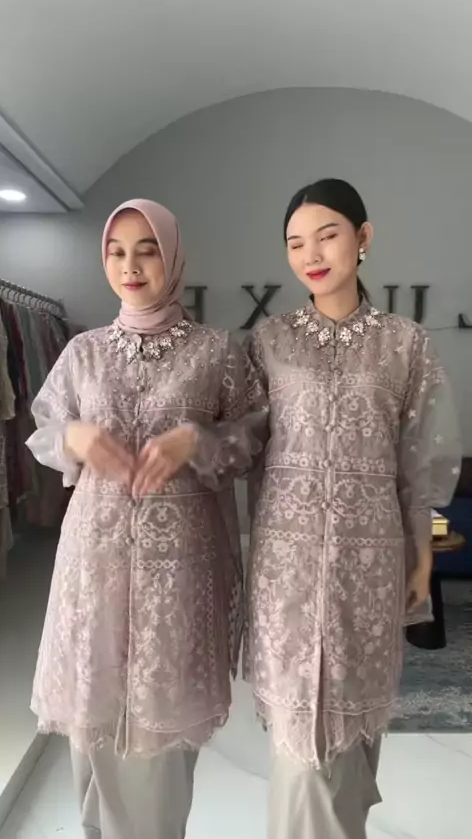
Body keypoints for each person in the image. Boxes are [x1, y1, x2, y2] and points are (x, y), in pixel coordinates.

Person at [26, 198, 268, 839]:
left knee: (162, 745)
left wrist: (198, 440)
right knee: (94, 724)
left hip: (179, 577)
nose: (130, 266)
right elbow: (45, 427)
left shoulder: (217, 352)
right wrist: (74, 436)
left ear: (174, 256)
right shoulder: (82, 352)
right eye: (116, 252)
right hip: (94, 567)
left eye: (147, 250)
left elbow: (255, 436)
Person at [244, 179, 461, 839]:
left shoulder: (405, 343)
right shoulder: (269, 341)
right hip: (286, 565)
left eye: (327, 235)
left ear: (363, 238)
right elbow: (241, 441)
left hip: (370, 563)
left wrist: (422, 555)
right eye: (295, 243)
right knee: (298, 739)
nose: (311, 254)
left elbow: (420, 460)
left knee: (353, 730)